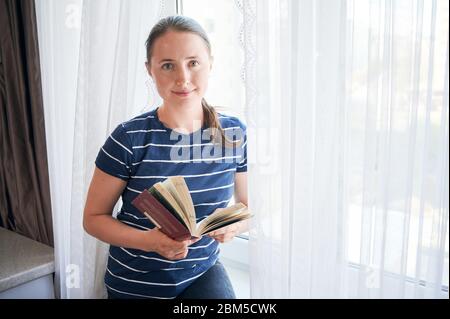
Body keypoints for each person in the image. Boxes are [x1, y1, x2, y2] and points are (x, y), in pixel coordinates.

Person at [83, 15, 249, 299]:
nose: (182, 78)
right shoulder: (128, 139)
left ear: (211, 63)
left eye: (193, 63)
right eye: (168, 65)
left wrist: (234, 225)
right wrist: (148, 242)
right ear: (150, 70)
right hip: (136, 279)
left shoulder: (233, 133)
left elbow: (245, 208)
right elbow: (93, 219)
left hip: (201, 271)